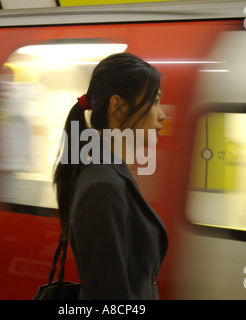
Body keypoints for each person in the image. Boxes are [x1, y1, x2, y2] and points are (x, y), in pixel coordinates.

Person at [53, 52, 168, 300]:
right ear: (118, 105)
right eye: (155, 101)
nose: (162, 115)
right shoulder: (103, 187)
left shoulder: (113, 175)